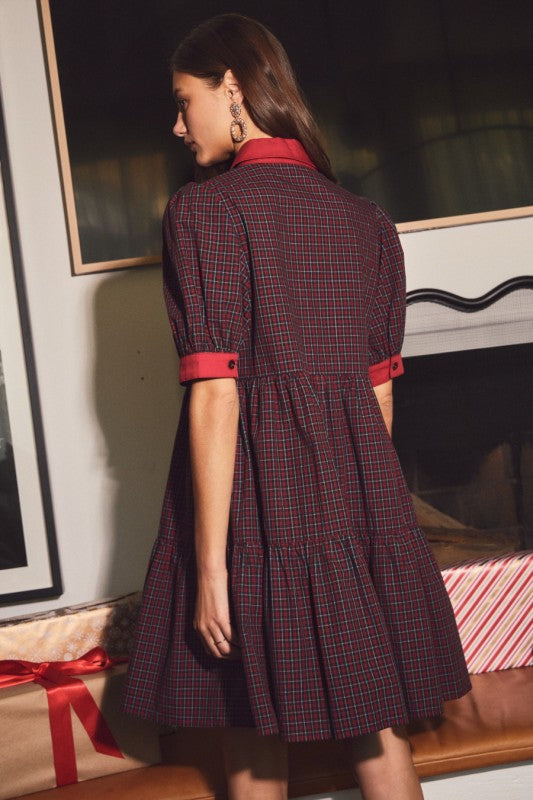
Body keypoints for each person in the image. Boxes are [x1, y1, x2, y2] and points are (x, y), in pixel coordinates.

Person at [120, 12, 472, 800]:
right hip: (358, 506)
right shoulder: (366, 222)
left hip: (253, 508)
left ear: (231, 88)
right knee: (379, 731)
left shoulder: (205, 212)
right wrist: (363, 521)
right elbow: (378, 396)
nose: (177, 124)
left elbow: (216, 393)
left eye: (183, 100)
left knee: (251, 738)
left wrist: (210, 567)